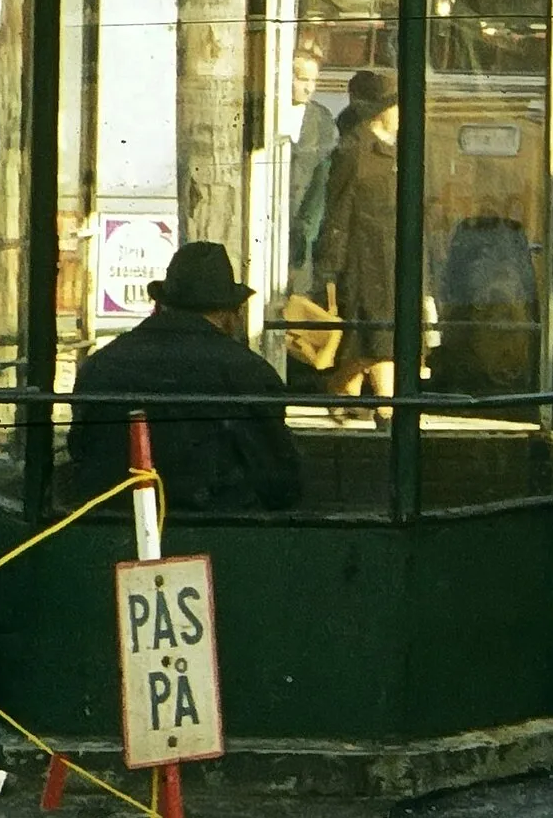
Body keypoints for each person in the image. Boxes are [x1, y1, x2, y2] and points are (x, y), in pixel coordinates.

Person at [66, 242, 302, 516]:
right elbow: (280, 481)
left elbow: (80, 450)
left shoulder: (101, 364)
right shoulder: (250, 372)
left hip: (106, 523)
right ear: (229, 314)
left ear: (162, 304)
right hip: (222, 530)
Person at [313, 89, 403, 413]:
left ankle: (344, 392)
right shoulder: (355, 150)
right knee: (378, 341)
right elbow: (338, 210)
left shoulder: (400, 151)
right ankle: (386, 410)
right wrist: (329, 267)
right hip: (362, 261)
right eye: (397, 107)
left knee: (374, 341)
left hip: (394, 262)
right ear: (382, 111)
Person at [281, 47, 341, 284]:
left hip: (303, 230)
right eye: (302, 79)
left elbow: (322, 180)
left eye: (314, 81)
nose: (310, 88)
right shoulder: (267, 114)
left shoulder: (321, 120)